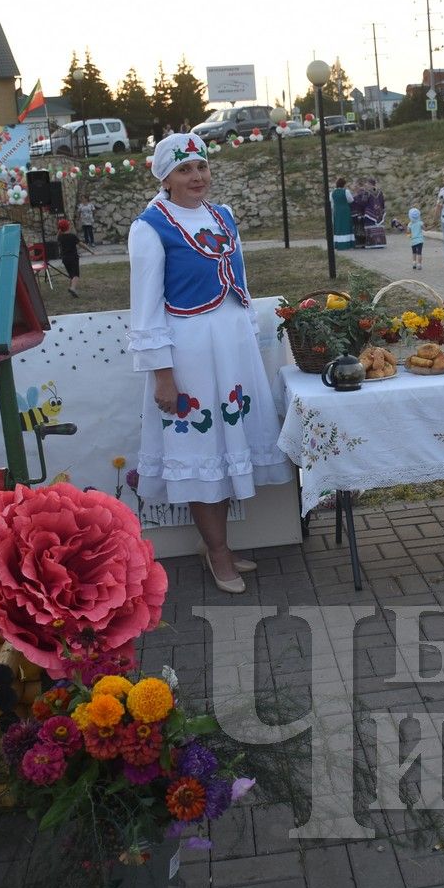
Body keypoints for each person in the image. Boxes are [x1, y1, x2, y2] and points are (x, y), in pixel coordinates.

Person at [128, 133, 291, 594]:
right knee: (201, 452)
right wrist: (163, 375)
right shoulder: (150, 227)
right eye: (184, 169)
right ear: (165, 176)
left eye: (201, 166)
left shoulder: (223, 216)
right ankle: (217, 551)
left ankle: (219, 544)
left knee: (225, 446)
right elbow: (146, 308)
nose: (196, 177)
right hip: (190, 356)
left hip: (232, 351)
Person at [56, 218, 84, 296]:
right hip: (73, 258)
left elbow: (57, 237)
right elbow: (81, 244)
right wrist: (90, 251)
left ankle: (72, 288)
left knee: (71, 274)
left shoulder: (60, 237)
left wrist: (60, 229)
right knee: (76, 275)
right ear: (68, 227)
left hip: (65, 258)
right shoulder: (72, 236)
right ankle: (73, 288)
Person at [361, 177, 387, 249]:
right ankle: (380, 243)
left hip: (370, 213)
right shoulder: (380, 191)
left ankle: (372, 243)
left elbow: (363, 202)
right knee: (378, 226)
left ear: (370, 184)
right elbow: (382, 202)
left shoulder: (367, 192)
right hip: (379, 212)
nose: (366, 184)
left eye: (367, 183)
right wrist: (381, 209)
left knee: (370, 226)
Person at [330, 177, 354, 251]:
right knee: (347, 226)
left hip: (337, 211)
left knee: (338, 227)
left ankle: (339, 245)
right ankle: (348, 245)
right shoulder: (346, 191)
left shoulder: (332, 192)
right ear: (344, 184)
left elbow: (332, 202)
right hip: (345, 211)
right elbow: (351, 200)